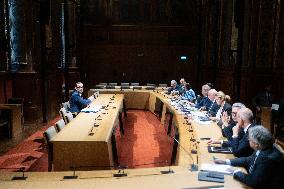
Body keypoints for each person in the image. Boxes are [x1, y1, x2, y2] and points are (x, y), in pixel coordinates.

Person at [214, 126, 284, 189]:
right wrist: (226, 161)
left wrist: (235, 172)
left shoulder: (267, 159)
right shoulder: (263, 147)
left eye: (249, 139)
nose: (248, 140)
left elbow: (253, 182)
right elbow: (247, 160)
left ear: (256, 144)